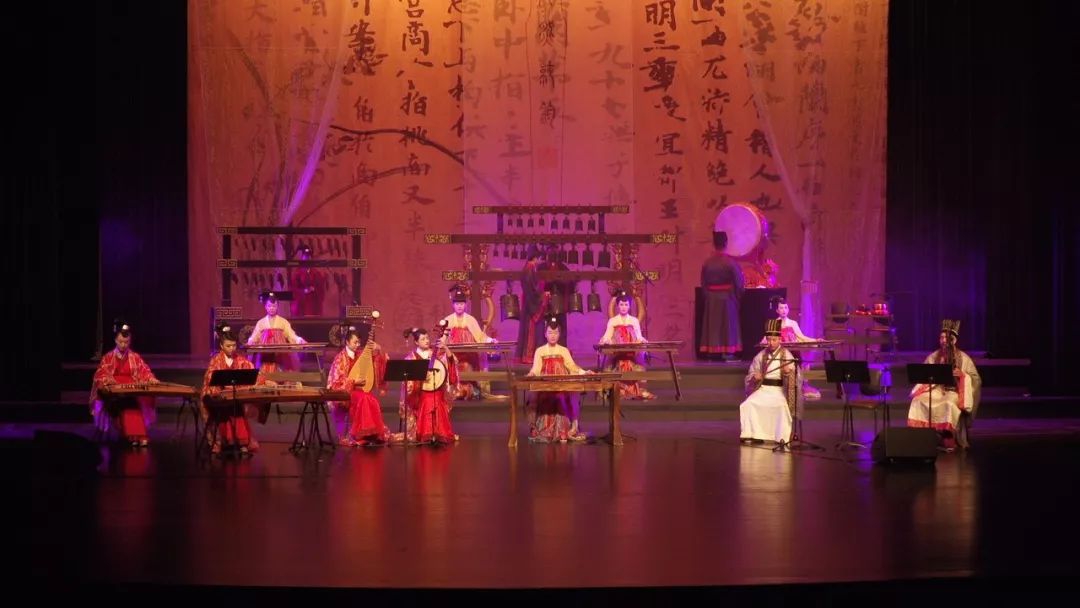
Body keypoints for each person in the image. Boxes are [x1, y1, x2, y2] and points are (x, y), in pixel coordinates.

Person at [907, 319, 981, 452]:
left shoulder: (963, 358)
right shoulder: (934, 356)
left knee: (948, 404)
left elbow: (976, 379)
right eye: (941, 337)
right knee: (917, 401)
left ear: (953, 340)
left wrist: (963, 375)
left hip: (954, 391)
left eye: (946, 338)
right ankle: (921, 438)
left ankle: (947, 439)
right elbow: (925, 373)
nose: (943, 340)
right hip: (936, 389)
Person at [200, 322, 268, 454]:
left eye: (234, 345)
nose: (232, 349)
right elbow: (210, 377)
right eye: (228, 346)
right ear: (221, 346)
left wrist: (264, 380)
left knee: (238, 411)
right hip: (220, 395)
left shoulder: (240, 360)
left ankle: (241, 442)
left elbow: (254, 372)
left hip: (234, 395)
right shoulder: (216, 360)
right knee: (225, 409)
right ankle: (224, 441)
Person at [90, 320, 159, 447]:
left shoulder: (135, 357)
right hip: (115, 394)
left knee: (132, 404)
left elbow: (144, 371)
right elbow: (100, 374)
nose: (123, 345)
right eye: (121, 342)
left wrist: (150, 379)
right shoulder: (108, 357)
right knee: (124, 404)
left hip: (130, 392)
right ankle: (131, 434)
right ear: (115, 341)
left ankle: (138, 434)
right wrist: (107, 380)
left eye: (126, 342)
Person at [527, 317, 590, 442]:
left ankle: (566, 429)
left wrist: (583, 372)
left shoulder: (564, 350)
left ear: (559, 334)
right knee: (535, 397)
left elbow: (572, 366)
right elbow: (536, 368)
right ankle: (537, 427)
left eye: (555, 333)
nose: (552, 336)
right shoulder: (540, 351)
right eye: (550, 332)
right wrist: (532, 373)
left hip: (561, 384)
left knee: (567, 397)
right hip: (546, 384)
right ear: (545, 334)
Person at [327, 323, 390, 446]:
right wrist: (353, 382)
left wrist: (378, 349)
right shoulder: (340, 358)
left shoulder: (361, 355)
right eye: (355, 342)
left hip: (360, 391)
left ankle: (373, 433)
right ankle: (362, 434)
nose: (357, 345)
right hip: (346, 392)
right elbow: (336, 381)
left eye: (359, 342)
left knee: (372, 399)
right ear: (347, 342)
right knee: (364, 399)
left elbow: (377, 362)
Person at [739, 319, 799, 445]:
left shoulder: (787, 355)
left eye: (774, 340)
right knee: (748, 404)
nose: (771, 343)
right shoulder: (761, 355)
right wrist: (755, 377)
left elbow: (797, 375)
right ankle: (752, 434)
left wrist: (788, 373)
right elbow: (751, 373)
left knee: (781, 408)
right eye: (769, 340)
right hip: (763, 388)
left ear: (780, 340)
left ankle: (780, 436)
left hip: (779, 390)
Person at [397, 326, 459, 445]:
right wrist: (420, 378)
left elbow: (452, 361)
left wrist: (445, 347)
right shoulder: (411, 358)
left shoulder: (436, 353)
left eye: (427, 338)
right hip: (420, 392)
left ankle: (441, 433)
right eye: (423, 339)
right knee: (428, 401)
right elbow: (408, 382)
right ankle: (426, 433)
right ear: (416, 342)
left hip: (436, 388)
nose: (426, 341)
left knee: (438, 399)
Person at [441, 284, 504, 400]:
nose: (459, 306)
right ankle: (453, 390)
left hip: (468, 355)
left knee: (467, 366)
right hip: (453, 356)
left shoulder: (471, 320)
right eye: (457, 304)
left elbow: (480, 336)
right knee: (447, 362)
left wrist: (490, 340)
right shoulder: (448, 320)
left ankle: (469, 390)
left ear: (465, 305)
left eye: (461, 304)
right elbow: (442, 338)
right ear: (453, 305)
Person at [760, 297, 822, 400]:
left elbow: (802, 337)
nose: (784, 310)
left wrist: (815, 340)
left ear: (788, 309)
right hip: (781, 352)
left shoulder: (793, 323)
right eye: (781, 308)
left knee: (801, 365)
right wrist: (764, 341)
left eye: (785, 308)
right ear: (777, 310)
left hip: (794, 351)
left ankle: (800, 387)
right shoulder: (774, 323)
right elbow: (766, 338)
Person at [598, 290, 656, 400]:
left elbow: (638, 336)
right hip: (617, 354)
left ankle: (634, 389)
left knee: (637, 367)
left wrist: (642, 340)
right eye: (621, 304)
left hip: (631, 354)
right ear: (618, 306)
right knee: (611, 368)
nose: (623, 307)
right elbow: (607, 335)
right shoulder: (613, 321)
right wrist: (605, 340)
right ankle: (617, 390)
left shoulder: (634, 321)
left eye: (626, 304)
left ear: (629, 306)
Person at [699, 230, 745, 361]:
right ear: (726, 243)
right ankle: (728, 352)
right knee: (727, 326)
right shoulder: (731, 263)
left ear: (714, 244)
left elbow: (703, 283)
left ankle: (712, 352)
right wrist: (736, 298)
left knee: (713, 325)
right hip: (727, 298)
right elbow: (739, 283)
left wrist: (708, 296)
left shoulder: (707, 263)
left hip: (711, 298)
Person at [247, 290, 308, 376]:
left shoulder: (283, 322)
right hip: (265, 353)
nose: (272, 308)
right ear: (266, 307)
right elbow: (255, 336)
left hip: (280, 352)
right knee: (263, 373)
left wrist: (299, 340)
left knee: (283, 371)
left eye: (274, 306)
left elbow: (291, 334)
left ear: (277, 307)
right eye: (269, 306)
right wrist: (251, 340)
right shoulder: (261, 322)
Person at [290, 243, 327, 317]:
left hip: (314, 307)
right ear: (302, 258)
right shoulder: (297, 274)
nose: (307, 258)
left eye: (309, 256)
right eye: (305, 256)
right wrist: (304, 291)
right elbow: (293, 289)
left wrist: (314, 289)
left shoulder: (316, 273)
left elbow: (321, 289)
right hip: (302, 307)